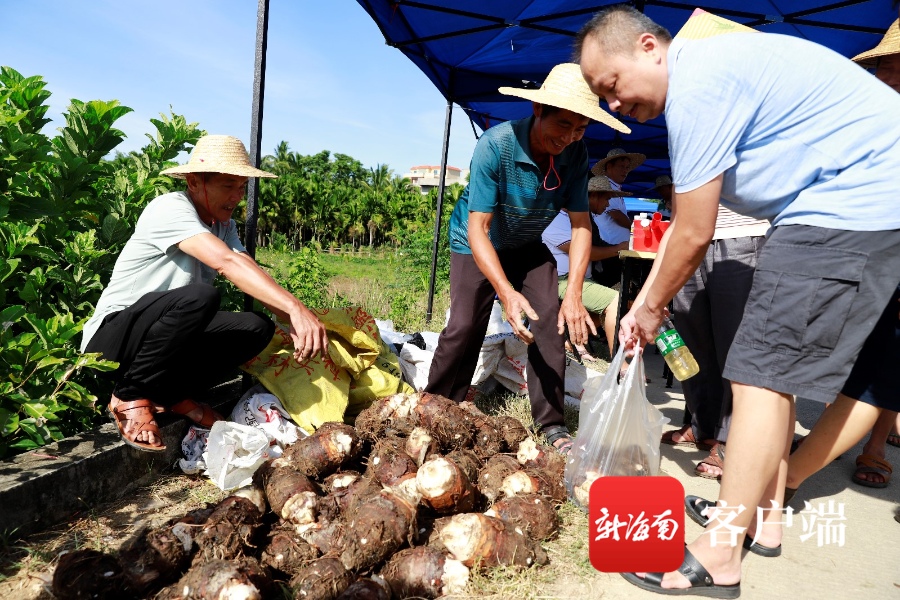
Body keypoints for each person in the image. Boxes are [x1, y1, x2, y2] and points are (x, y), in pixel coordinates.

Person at [576, 6, 900, 597]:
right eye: (603, 97)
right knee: (773, 376)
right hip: (854, 207)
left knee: (758, 376)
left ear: (649, 47)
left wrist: (649, 310)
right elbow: (683, 222)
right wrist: (644, 300)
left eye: (612, 85)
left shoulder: (696, 86)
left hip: (846, 208)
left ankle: (721, 552)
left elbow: (696, 231)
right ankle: (762, 519)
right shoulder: (710, 74)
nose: (614, 105)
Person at [425, 63, 628, 456]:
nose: (569, 137)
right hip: (477, 241)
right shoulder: (497, 145)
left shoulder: (576, 153)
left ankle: (551, 423)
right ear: (538, 110)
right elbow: (479, 228)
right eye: (563, 124)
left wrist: (573, 295)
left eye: (580, 128)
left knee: (550, 321)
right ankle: (434, 407)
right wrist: (506, 292)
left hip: (526, 242)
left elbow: (581, 226)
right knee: (465, 325)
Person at [82, 135, 328, 452]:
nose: (237, 197)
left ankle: (168, 395)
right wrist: (295, 310)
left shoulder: (223, 225)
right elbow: (226, 262)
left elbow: (247, 267)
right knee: (200, 298)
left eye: (242, 187)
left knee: (256, 327)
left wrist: (305, 322)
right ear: (194, 182)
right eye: (228, 186)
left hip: (160, 344)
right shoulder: (170, 208)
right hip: (111, 341)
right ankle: (128, 394)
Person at [783, 18, 900, 493]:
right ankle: (800, 460)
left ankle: (789, 479)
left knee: (880, 374)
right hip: (857, 259)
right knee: (852, 363)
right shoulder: (866, 124)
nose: (891, 79)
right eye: (886, 68)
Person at [666, 203, 768, 480]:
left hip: (743, 232)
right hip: (688, 237)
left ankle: (732, 439)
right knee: (693, 342)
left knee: (736, 346)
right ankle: (704, 425)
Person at [542, 175, 629, 358]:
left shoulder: (580, 219)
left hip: (581, 279)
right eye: (606, 199)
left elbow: (594, 248)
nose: (607, 205)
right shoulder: (556, 220)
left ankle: (569, 339)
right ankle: (619, 364)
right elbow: (587, 253)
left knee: (626, 298)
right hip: (561, 280)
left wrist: (619, 249)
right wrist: (619, 249)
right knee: (617, 301)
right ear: (592, 196)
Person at [590, 148, 645, 287]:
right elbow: (616, 216)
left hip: (615, 249)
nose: (625, 171)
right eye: (621, 166)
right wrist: (637, 228)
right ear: (609, 167)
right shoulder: (606, 188)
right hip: (611, 249)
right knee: (614, 286)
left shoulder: (614, 188)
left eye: (627, 167)